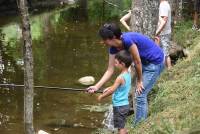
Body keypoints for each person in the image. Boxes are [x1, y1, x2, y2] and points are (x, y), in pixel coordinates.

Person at [87, 23, 164, 125]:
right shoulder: (113, 48)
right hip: (142, 63)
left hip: (154, 63)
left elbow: (137, 61)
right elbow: (110, 69)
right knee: (129, 88)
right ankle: (139, 119)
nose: (103, 42)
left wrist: (140, 81)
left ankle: (139, 125)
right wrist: (97, 86)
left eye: (104, 39)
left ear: (113, 37)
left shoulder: (127, 40)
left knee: (140, 94)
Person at [97, 50, 132, 134]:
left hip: (119, 106)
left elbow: (113, 90)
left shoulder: (120, 77)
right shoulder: (128, 74)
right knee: (122, 125)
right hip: (125, 105)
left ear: (122, 64)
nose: (114, 65)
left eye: (116, 63)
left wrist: (102, 96)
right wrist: (108, 87)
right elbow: (118, 86)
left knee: (120, 128)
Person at [156, 0, 172, 70]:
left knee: (165, 54)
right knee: (164, 53)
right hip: (164, 32)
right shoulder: (165, 4)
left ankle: (169, 69)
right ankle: (167, 69)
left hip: (163, 33)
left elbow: (164, 20)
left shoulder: (163, 5)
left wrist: (157, 32)